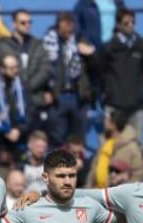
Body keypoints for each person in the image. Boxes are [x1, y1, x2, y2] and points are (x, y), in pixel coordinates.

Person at [93, 8, 143, 140]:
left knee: (136, 144)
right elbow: (101, 73)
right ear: (118, 25)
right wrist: (109, 92)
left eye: (133, 22)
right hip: (114, 105)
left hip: (136, 106)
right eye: (126, 23)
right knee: (111, 144)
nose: (130, 25)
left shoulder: (141, 46)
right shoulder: (109, 47)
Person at [43, 12, 95, 146]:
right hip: (57, 98)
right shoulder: (48, 43)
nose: (67, 32)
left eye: (70, 28)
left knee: (77, 140)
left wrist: (90, 54)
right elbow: (42, 71)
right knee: (56, 139)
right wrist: (45, 90)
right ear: (58, 27)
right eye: (64, 28)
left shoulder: (78, 40)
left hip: (77, 97)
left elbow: (96, 67)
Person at [0, 9, 50, 106]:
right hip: (12, 99)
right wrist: (18, 88)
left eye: (29, 22)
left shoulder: (37, 44)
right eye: (23, 22)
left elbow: (44, 70)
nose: (27, 25)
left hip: (35, 99)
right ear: (14, 24)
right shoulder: (3, 45)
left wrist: (28, 87)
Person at [0, 54, 32, 151]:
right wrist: (6, 132)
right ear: (2, 69)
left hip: (20, 136)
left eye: (17, 67)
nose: (16, 70)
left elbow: (30, 109)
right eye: (12, 68)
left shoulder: (22, 86)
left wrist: (19, 130)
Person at [86, 109, 143, 187]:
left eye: (107, 120)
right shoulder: (104, 141)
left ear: (114, 124)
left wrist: (123, 189)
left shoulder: (131, 147)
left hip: (114, 195)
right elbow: (93, 167)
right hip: (96, 192)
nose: (104, 122)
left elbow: (139, 173)